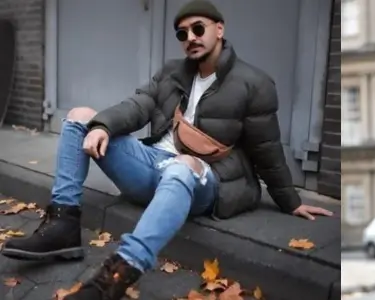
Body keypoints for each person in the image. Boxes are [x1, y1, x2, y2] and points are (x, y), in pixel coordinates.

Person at [0, 0, 333, 299]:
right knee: (79, 118)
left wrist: (290, 201)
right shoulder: (172, 73)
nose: (190, 37)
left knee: (182, 165)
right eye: (182, 33)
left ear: (220, 29)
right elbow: (138, 105)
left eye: (198, 28)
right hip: (151, 167)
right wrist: (102, 126)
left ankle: (118, 274)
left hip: (205, 180)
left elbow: (267, 149)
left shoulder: (254, 83)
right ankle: (62, 226)